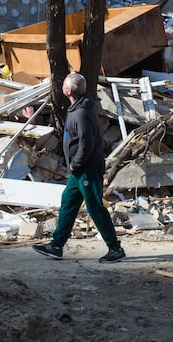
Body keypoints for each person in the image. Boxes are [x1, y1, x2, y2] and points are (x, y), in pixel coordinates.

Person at [33, 72, 126, 263]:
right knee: (68, 201)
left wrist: (76, 164)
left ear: (68, 90)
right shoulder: (79, 107)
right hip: (79, 169)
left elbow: (87, 143)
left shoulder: (82, 112)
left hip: (86, 168)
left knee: (95, 207)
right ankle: (56, 246)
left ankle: (115, 248)